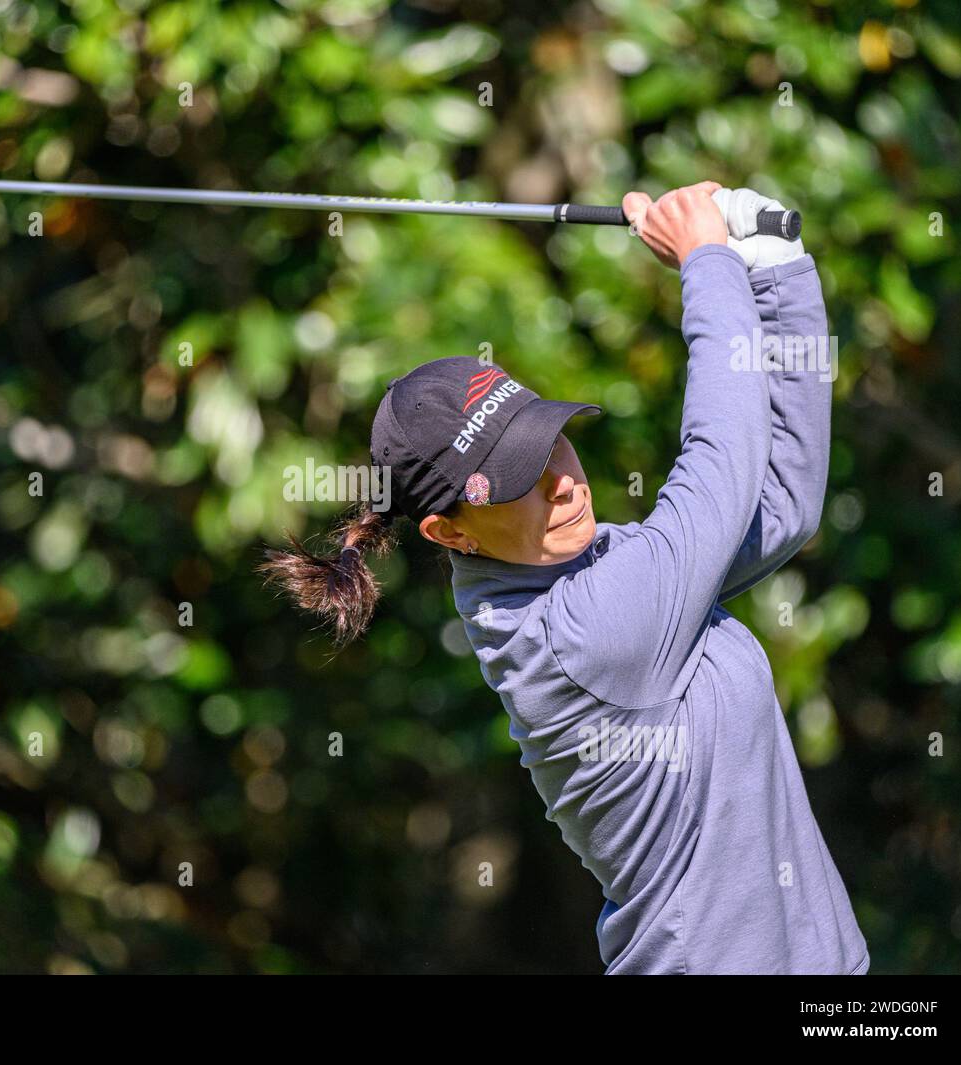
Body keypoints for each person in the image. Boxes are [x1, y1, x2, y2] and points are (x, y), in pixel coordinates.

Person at [259, 182, 867, 975]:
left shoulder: (603, 569)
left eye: (550, 444)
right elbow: (724, 461)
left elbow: (779, 501)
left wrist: (777, 268)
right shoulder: (583, 632)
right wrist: (708, 261)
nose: (564, 482)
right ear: (449, 532)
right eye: (519, 480)